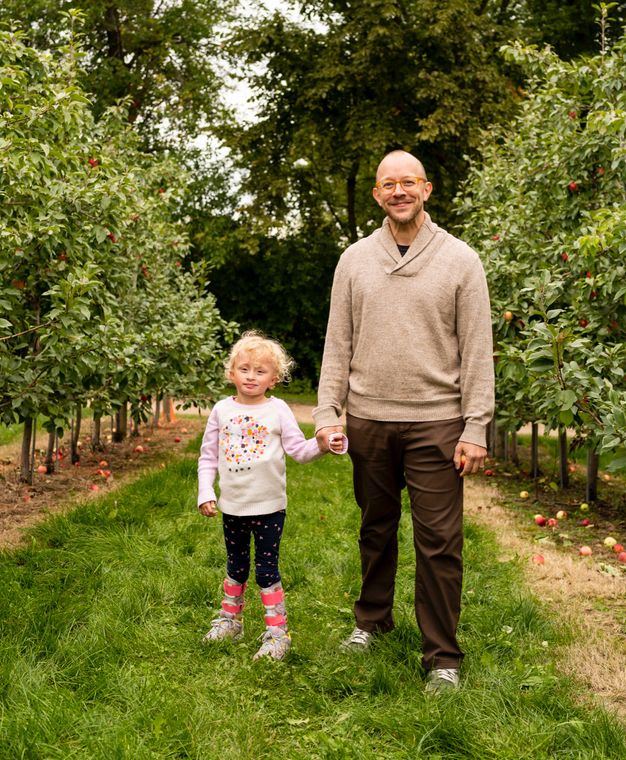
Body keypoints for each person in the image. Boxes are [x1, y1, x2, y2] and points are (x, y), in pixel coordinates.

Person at [313, 150, 494, 692]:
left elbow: (478, 350)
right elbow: (337, 344)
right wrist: (327, 412)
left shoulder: (461, 260)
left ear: (427, 189)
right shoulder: (354, 260)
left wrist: (475, 427)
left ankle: (442, 656)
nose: (399, 191)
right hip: (368, 418)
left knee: (439, 540)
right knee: (376, 529)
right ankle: (372, 620)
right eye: (388, 184)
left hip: (437, 422)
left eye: (408, 182)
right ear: (377, 194)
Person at [198, 330, 346, 660]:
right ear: (231, 372)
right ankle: (229, 621)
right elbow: (207, 456)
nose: (251, 376)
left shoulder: (278, 411)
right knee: (235, 566)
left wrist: (323, 445)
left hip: (269, 508)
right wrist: (205, 491)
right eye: (245, 369)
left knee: (266, 570)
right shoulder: (221, 410)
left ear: (273, 379)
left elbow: (299, 451)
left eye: (260, 371)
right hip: (233, 507)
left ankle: (277, 632)